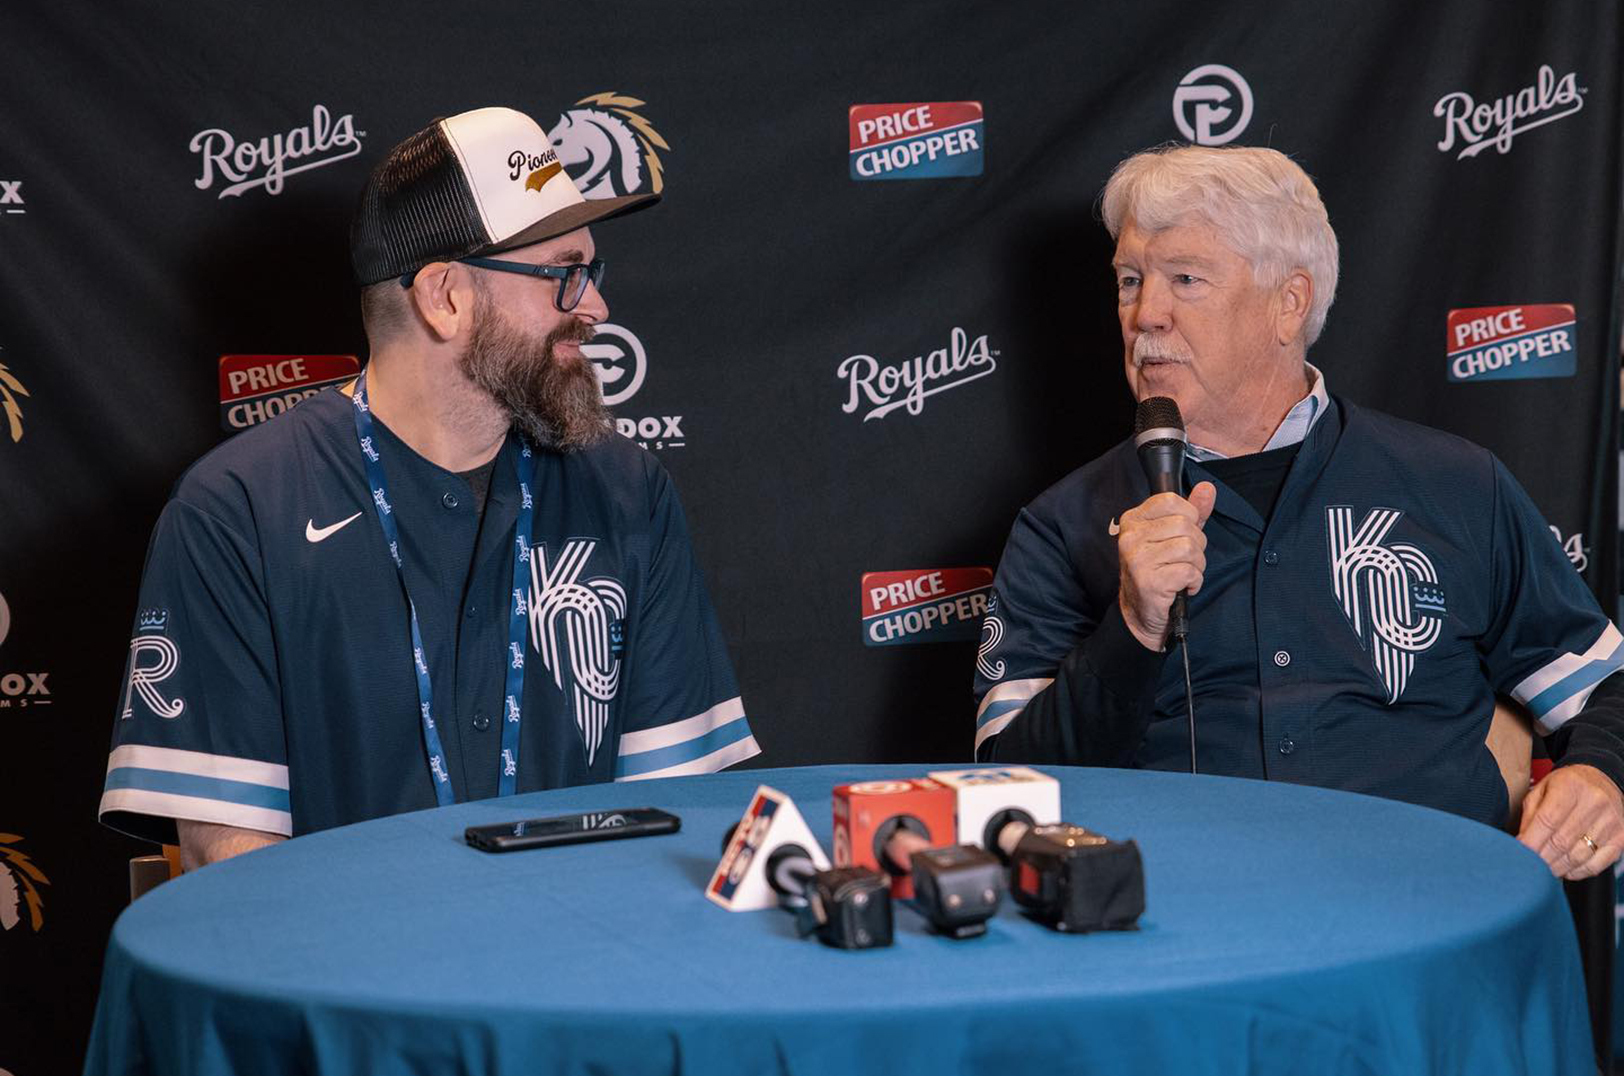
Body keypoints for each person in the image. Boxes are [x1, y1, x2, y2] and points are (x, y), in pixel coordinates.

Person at [100, 106, 759, 868]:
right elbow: (231, 853)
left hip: (582, 963)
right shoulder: (239, 510)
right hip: (352, 973)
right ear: (444, 295)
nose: (597, 307)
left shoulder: (627, 489)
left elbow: (671, 813)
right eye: (564, 275)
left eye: (593, 272)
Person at [974, 144, 1624, 882]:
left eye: (1185, 279)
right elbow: (1006, 792)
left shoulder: (1456, 484)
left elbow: (1604, 685)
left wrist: (1602, 777)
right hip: (1184, 929)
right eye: (1130, 280)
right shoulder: (1062, 524)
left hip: (1426, 912)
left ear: (1288, 303)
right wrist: (1132, 628)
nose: (1145, 314)